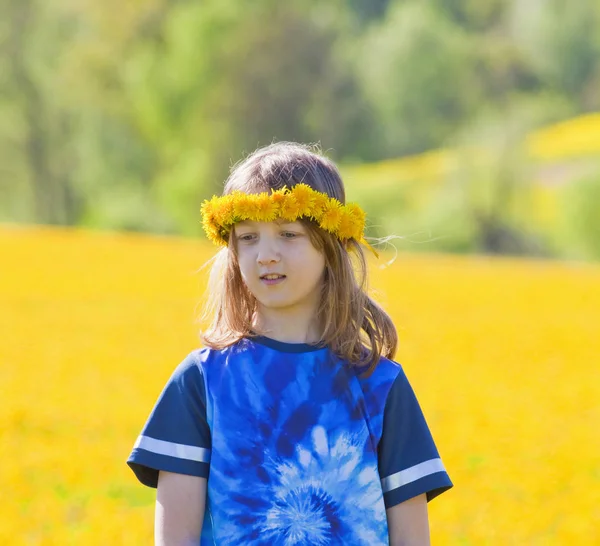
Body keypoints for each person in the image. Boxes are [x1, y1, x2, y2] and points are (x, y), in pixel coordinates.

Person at [127, 142, 453, 545]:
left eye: (288, 234)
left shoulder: (380, 386)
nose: (266, 254)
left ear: (331, 245)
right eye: (248, 237)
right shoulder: (201, 382)